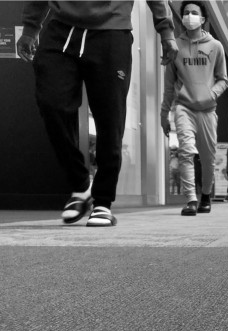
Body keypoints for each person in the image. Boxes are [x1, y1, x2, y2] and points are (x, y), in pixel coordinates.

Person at [17, 1, 178, 226]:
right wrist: (30, 28)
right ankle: (81, 186)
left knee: (110, 119)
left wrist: (166, 31)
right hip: (61, 29)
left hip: (112, 31)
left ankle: (102, 201)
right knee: (51, 104)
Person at [161, 0, 228, 216]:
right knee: (186, 152)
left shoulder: (215, 46)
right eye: (186, 13)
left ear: (203, 19)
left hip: (208, 110)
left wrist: (212, 93)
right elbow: (169, 85)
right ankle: (190, 199)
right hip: (184, 107)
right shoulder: (175, 46)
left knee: (208, 158)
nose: (190, 16)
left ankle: (206, 195)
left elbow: (223, 79)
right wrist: (164, 113)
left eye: (194, 13)